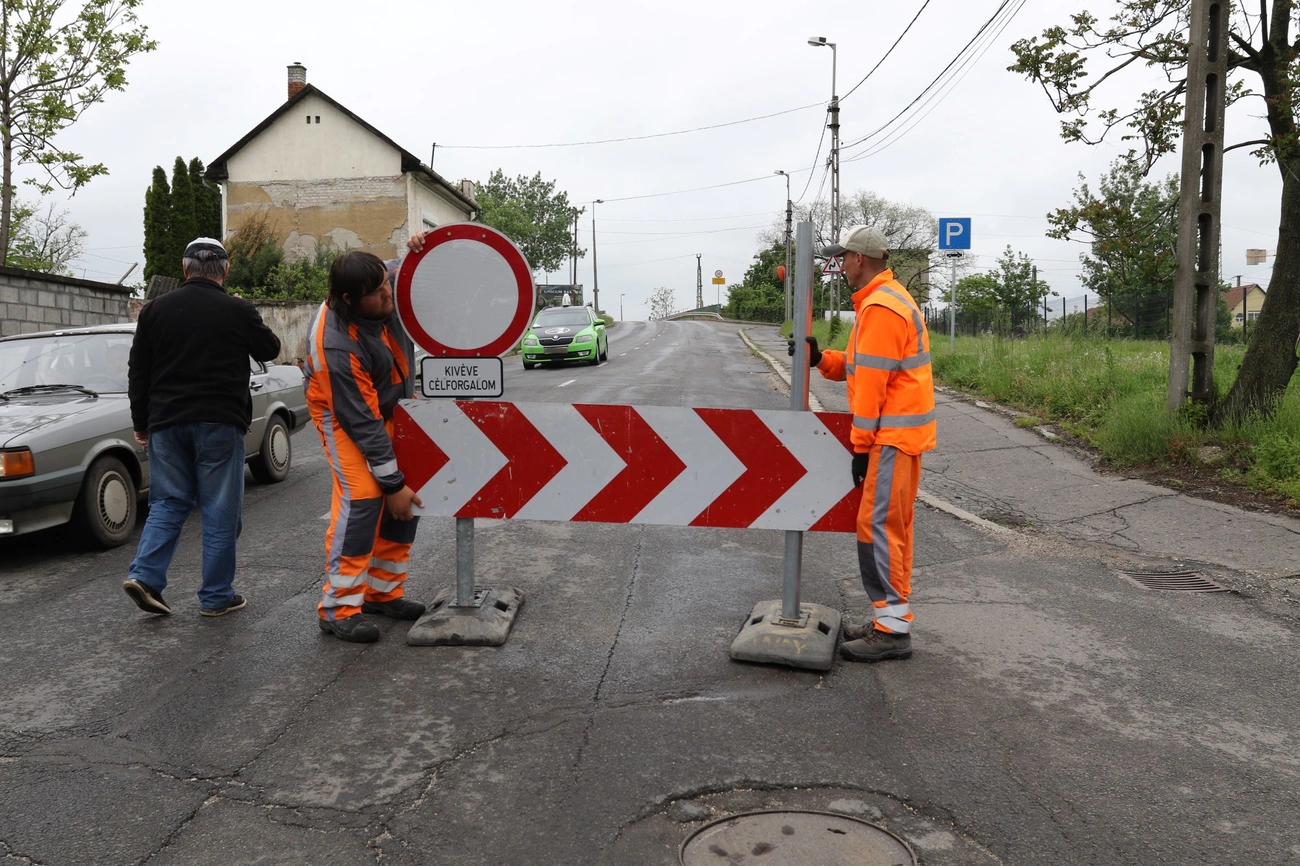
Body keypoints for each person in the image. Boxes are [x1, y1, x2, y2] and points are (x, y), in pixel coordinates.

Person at [789, 225, 936, 662]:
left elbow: (872, 385)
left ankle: (892, 631)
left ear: (861, 259)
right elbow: (860, 366)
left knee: (879, 531)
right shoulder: (882, 301)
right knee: (891, 531)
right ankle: (887, 619)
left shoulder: (881, 307)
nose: (840, 265)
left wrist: (860, 445)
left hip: (890, 438)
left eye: (844, 257)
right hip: (898, 436)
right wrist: (822, 360)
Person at [123, 238, 282, 617]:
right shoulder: (236, 310)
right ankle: (216, 596)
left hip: (166, 423)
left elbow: (138, 372)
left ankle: (145, 577)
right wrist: (247, 311)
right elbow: (270, 349)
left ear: (184, 269)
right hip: (218, 422)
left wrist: (141, 424)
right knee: (219, 510)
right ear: (225, 272)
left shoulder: (153, 311)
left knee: (167, 503)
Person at [305, 251, 425, 642]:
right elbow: (362, 423)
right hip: (340, 410)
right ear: (349, 301)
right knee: (364, 495)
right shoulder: (335, 345)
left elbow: (410, 266)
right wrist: (390, 485)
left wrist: (421, 246)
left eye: (385, 284)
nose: (387, 295)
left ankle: (382, 593)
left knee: (410, 492)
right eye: (375, 293)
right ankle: (338, 608)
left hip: (391, 402)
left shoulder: (386, 281)